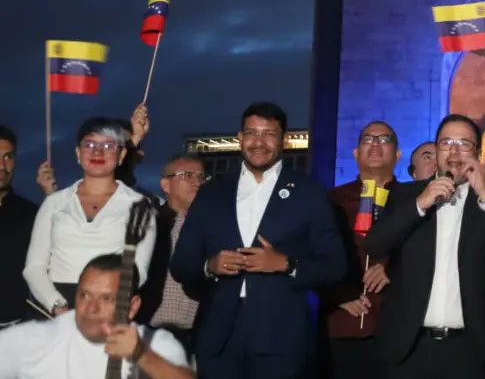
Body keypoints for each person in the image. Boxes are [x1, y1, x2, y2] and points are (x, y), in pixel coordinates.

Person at [171, 101, 345, 379]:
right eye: (251, 133)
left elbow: (335, 266)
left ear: (284, 140)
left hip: (281, 340)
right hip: (218, 338)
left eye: (269, 134)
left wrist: (286, 264)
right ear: (239, 137)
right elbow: (181, 263)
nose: (258, 142)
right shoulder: (211, 193)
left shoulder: (309, 193)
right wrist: (210, 266)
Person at [364, 113, 485, 379]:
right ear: (436, 150)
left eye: (464, 144)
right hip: (409, 348)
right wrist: (420, 203)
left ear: (478, 152)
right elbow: (374, 244)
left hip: (470, 350)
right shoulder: (405, 195)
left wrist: (484, 194)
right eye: (446, 143)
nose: (454, 151)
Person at [24, 117, 156, 315]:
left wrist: (104, 303)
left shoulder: (139, 206)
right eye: (90, 144)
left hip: (107, 305)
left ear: (121, 155)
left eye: (108, 145)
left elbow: (138, 270)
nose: (97, 151)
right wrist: (56, 305)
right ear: (78, 153)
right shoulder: (55, 202)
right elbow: (34, 266)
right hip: (53, 306)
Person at [0, 253, 193, 378]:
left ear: (133, 307)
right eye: (84, 295)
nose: (91, 308)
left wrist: (142, 355)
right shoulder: (40, 338)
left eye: (107, 298)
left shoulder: (154, 343)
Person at [321, 120, 401, 379]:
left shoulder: (414, 200)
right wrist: (338, 294)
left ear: (398, 155)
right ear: (356, 153)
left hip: (396, 328)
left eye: (384, 139)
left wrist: (393, 268)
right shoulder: (331, 200)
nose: (375, 144)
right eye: (368, 139)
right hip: (342, 325)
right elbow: (310, 256)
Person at [136, 154, 210, 355]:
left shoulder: (212, 227)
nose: (197, 182)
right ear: (166, 185)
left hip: (199, 335)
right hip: (152, 331)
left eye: (202, 177)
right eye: (187, 175)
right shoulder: (150, 224)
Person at [0, 126, 38, 326]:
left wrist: (51, 197)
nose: (2, 165)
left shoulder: (31, 214)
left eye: (8, 157)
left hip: (15, 328)